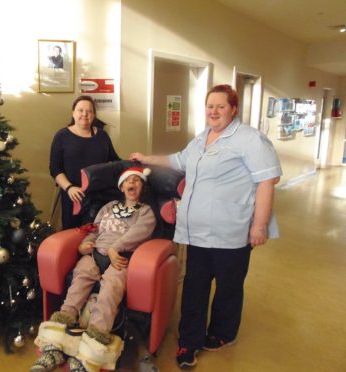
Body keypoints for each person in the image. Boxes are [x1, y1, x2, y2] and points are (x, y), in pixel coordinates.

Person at [129, 84, 282, 368]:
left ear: (233, 109)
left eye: (220, 106)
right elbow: (177, 160)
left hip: (232, 232)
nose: (213, 111)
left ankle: (223, 333)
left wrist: (259, 225)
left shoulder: (250, 140)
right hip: (197, 232)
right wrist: (146, 158)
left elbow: (267, 181)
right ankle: (189, 341)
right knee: (195, 286)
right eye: (209, 106)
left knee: (228, 287)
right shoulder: (202, 139)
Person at [31, 167, 156, 372]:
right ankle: (54, 343)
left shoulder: (145, 211)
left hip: (121, 259)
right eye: (128, 181)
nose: (132, 183)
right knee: (81, 276)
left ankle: (90, 353)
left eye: (137, 180)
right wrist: (84, 244)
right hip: (95, 253)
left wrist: (116, 248)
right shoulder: (108, 208)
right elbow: (95, 231)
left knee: (111, 287)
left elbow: (139, 233)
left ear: (142, 186)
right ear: (122, 186)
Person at [49, 95, 120, 230]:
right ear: (73, 113)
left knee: (95, 236)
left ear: (93, 115)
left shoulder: (102, 135)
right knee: (72, 236)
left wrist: (133, 163)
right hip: (73, 196)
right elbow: (55, 168)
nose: (84, 114)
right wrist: (69, 188)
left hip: (99, 198)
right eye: (80, 110)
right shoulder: (62, 136)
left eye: (89, 111)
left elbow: (115, 161)